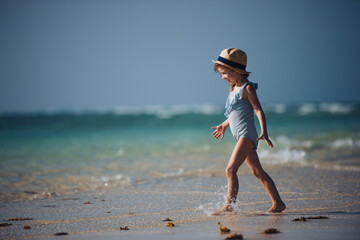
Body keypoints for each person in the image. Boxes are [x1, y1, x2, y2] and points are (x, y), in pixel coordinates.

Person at [211, 48, 286, 215]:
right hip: (240, 137)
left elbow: (258, 110)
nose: (223, 77)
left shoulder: (247, 88)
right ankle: (278, 203)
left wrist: (264, 131)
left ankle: (229, 206)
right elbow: (234, 114)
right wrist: (224, 125)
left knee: (230, 170)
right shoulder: (234, 89)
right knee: (257, 171)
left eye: (225, 73)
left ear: (236, 70)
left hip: (246, 135)